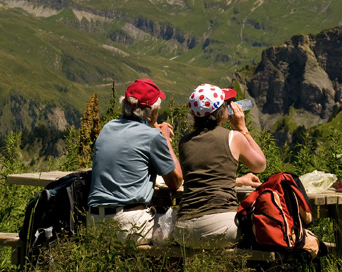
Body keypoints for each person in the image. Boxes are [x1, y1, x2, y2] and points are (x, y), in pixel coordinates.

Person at [87, 78, 183, 244]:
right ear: (153, 112)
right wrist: (165, 138)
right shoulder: (152, 137)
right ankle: (166, 271)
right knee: (182, 224)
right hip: (127, 223)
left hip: (94, 223)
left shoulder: (108, 128)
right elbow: (176, 181)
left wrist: (153, 131)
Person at [173, 83, 266, 249]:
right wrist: (243, 129)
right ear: (222, 112)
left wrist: (237, 180)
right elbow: (260, 165)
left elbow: (204, 177)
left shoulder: (184, 142)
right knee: (263, 230)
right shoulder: (233, 137)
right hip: (221, 228)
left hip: (183, 231)